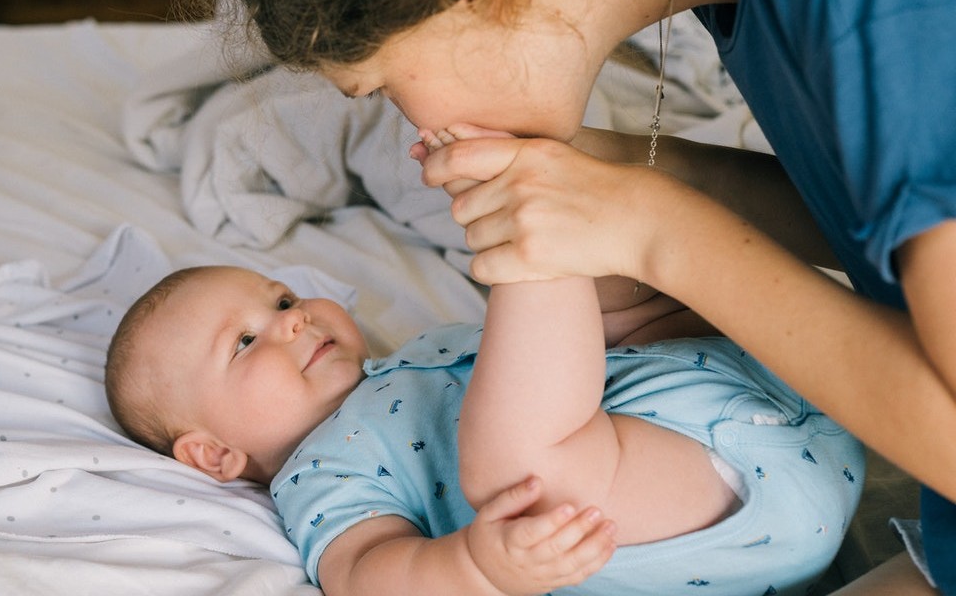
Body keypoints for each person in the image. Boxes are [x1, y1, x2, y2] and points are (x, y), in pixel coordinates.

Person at [200, 0, 956, 591]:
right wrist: (629, 178)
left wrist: (653, 229)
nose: (414, 121)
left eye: (384, 87)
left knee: (525, 475)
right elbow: (874, 214)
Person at [104, 251, 863, 595]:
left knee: (606, 299)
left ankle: (584, 232)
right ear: (214, 455)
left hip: (792, 397)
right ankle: (541, 247)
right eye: (245, 343)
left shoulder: (418, 352)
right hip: (708, 507)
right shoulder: (318, 474)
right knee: (527, 471)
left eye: (280, 300)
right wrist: (478, 569)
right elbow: (366, 576)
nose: (293, 320)